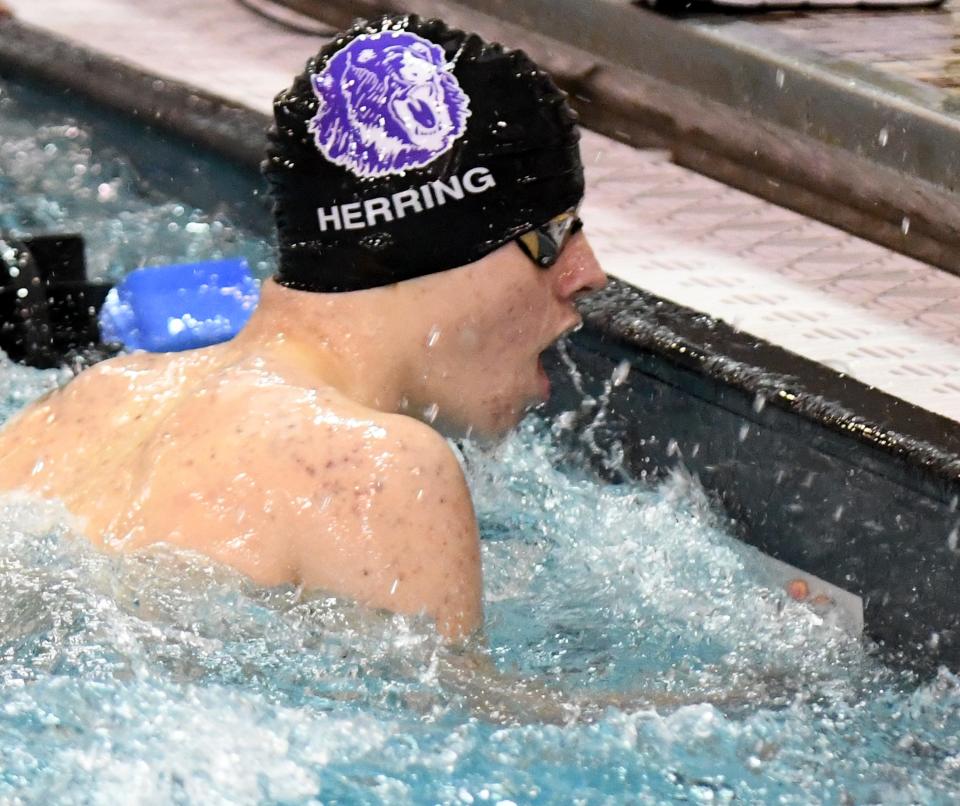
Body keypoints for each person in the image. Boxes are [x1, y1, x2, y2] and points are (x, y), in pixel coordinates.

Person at [0, 15, 605, 649]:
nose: (587, 274)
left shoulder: (93, 398)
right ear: (441, 247)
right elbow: (455, 724)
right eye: (555, 235)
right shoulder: (377, 467)